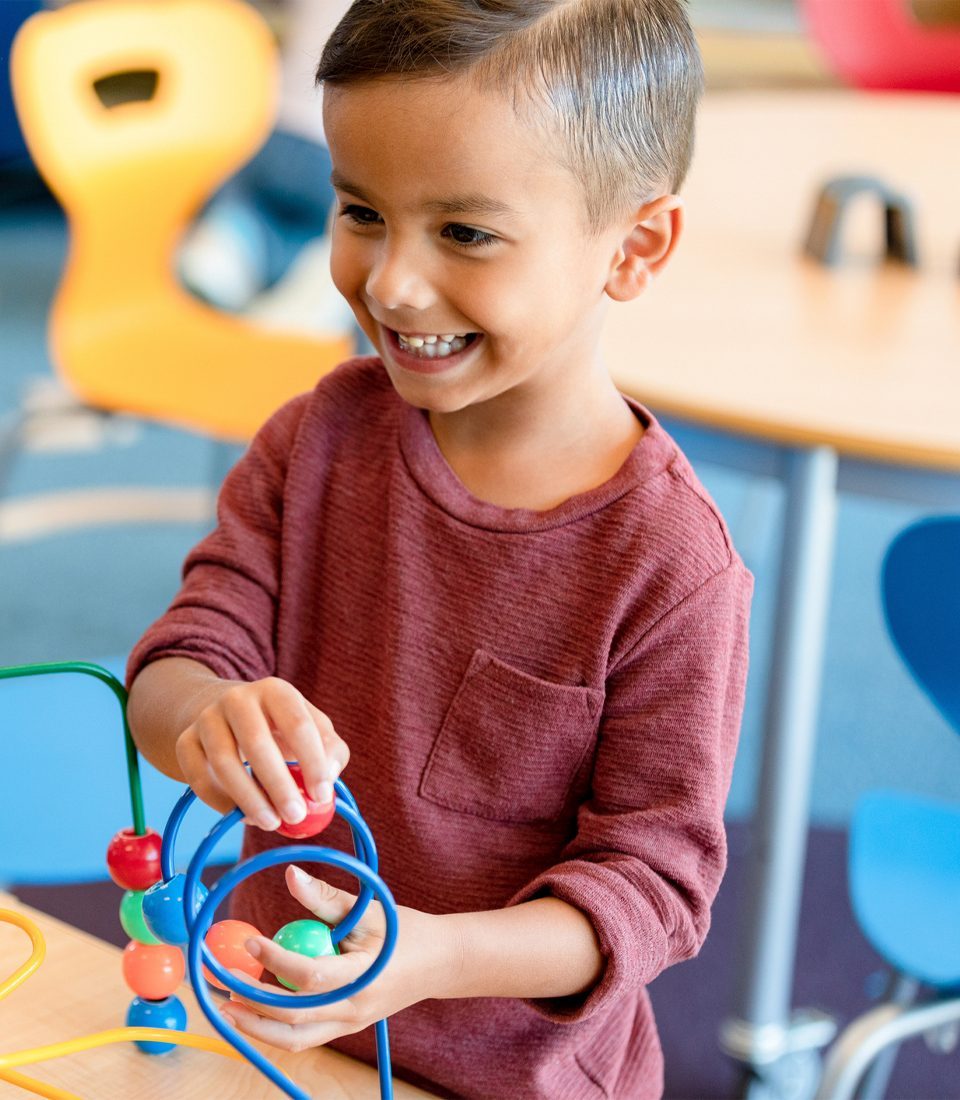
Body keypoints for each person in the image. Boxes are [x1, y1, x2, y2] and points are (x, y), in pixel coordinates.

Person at [126, 2, 753, 1097]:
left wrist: (430, 957)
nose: (393, 282)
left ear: (635, 245)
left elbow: (653, 888)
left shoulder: (670, 561)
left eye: (465, 232)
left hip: (519, 1080)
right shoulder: (314, 439)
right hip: (275, 1035)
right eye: (361, 209)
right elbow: (180, 660)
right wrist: (204, 718)